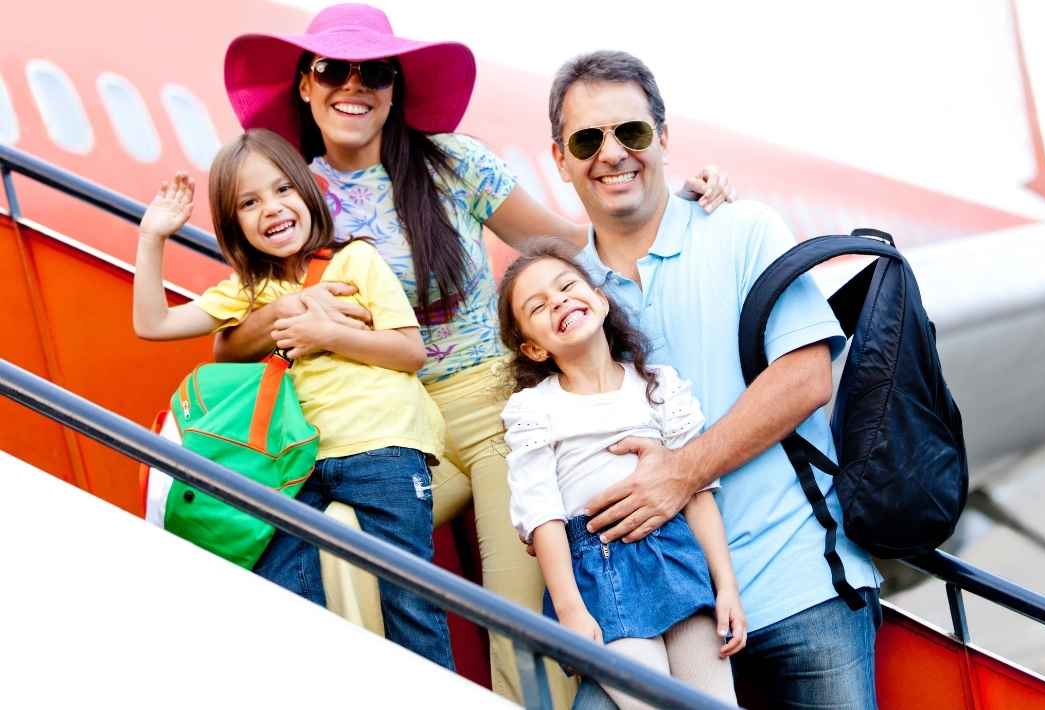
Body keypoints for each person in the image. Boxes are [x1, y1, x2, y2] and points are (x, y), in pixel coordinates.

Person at [218, 5, 733, 704]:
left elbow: (568, 243)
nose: (353, 85)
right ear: (304, 86)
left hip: (492, 410)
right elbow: (233, 334)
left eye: (373, 71)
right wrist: (283, 312)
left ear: (395, 87)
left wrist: (679, 207)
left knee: (519, 615)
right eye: (332, 69)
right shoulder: (292, 195)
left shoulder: (453, 164)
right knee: (343, 551)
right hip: (389, 431)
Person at [545, 51, 883, 709]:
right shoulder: (571, 291)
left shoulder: (742, 229)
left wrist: (680, 472)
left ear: (664, 139)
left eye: (631, 133)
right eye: (588, 140)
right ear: (560, 159)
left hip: (797, 586)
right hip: (661, 622)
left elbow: (807, 377)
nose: (612, 153)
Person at [131, 128, 453, 670]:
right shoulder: (246, 292)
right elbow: (152, 323)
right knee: (282, 582)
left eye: (283, 190)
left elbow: (408, 351)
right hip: (300, 461)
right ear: (235, 225)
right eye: (249, 203)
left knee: (410, 600)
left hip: (383, 448)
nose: (272, 209)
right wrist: (152, 238)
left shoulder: (355, 262)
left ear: (307, 192)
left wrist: (324, 336)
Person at [497, 239, 744, 710]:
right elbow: (542, 518)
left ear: (600, 298)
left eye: (567, 286)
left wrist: (726, 586)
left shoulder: (657, 386)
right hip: (598, 571)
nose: (560, 301)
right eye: (539, 306)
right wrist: (570, 609)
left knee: (716, 703)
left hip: (675, 556)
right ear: (533, 347)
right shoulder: (535, 409)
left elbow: (697, 492)